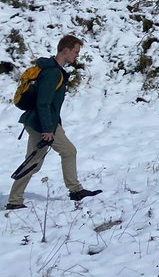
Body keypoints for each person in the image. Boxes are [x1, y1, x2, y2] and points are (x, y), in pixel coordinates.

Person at [6, 34, 101, 209]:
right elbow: (43, 103)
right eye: (75, 52)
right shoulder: (52, 73)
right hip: (41, 123)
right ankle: (74, 190)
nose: (77, 56)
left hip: (42, 122)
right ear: (65, 50)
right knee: (66, 152)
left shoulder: (51, 69)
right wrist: (48, 129)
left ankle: (15, 200)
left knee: (34, 161)